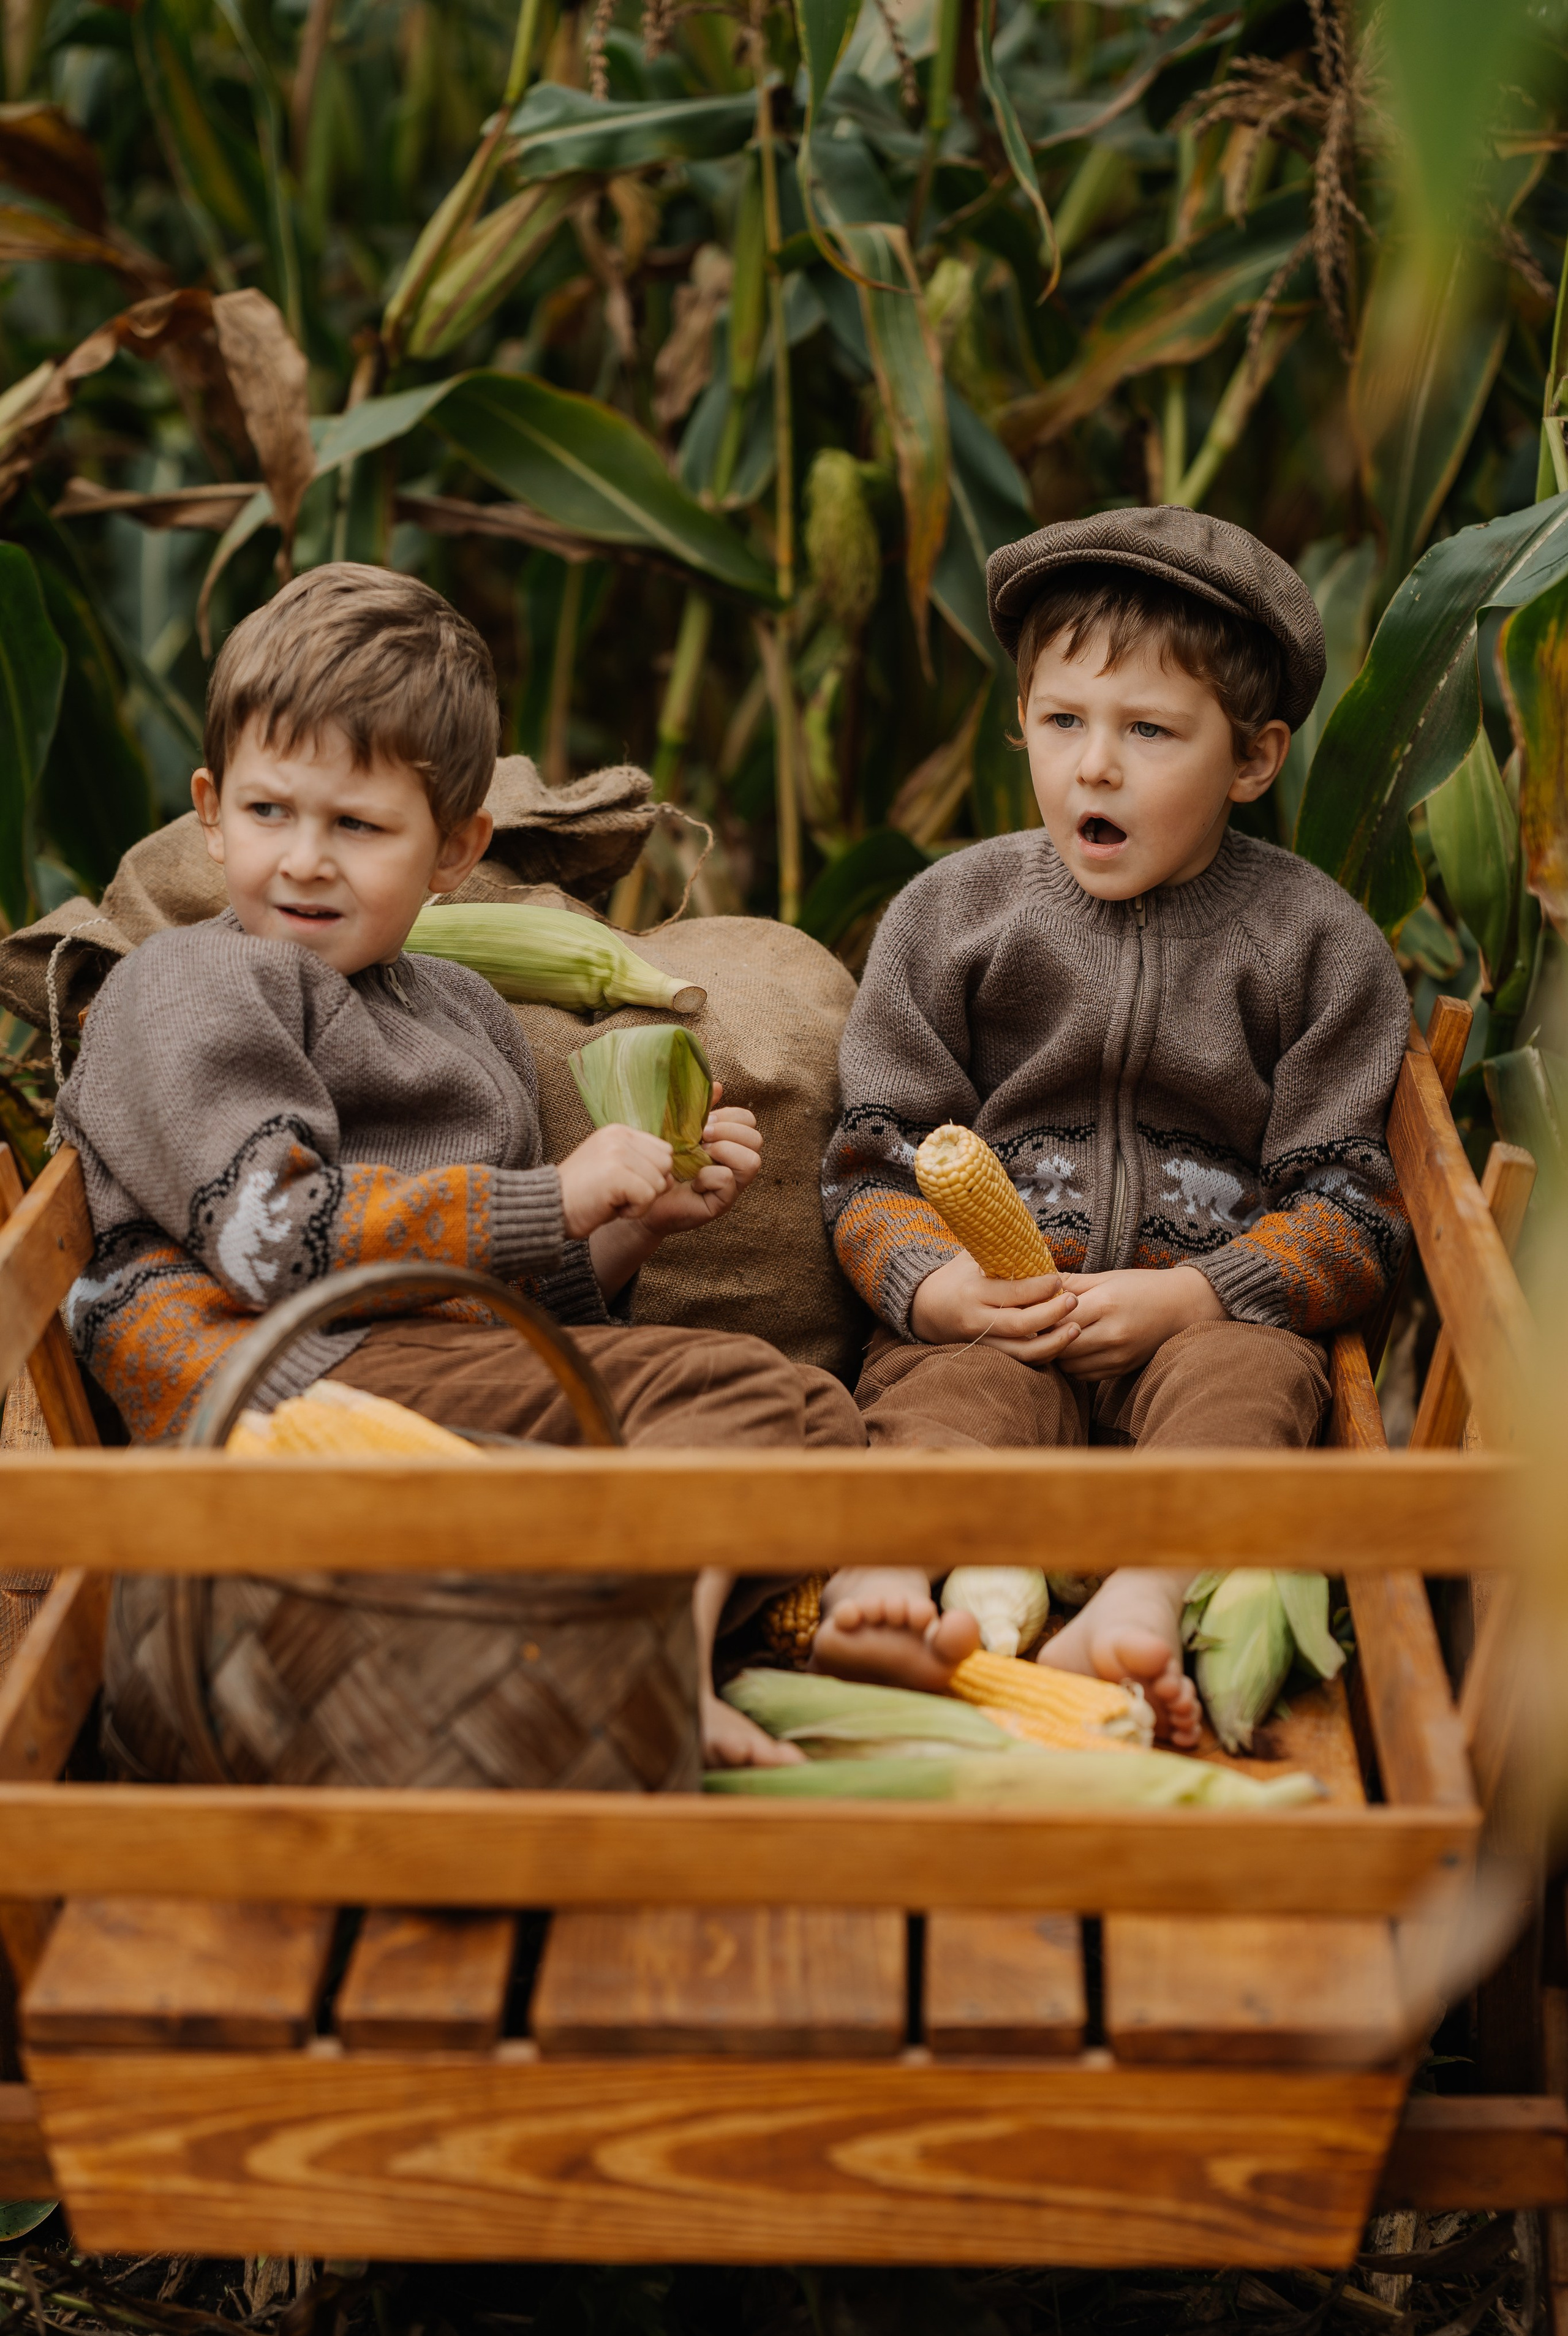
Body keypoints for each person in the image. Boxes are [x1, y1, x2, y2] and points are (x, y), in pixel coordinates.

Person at [53, 560, 864, 1770]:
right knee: (736, 1398)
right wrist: (555, 1195)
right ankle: (646, 1684)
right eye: (272, 812)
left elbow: (515, 1306)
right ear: (212, 809)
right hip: (277, 1389)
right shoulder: (189, 984)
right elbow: (266, 1238)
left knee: (812, 1413)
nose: (306, 860)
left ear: (453, 849)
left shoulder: (460, 1012)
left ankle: (593, 1663)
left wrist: (629, 1227)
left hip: (422, 1370)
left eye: (360, 826)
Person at [818, 507, 1411, 1742]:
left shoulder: (1310, 947)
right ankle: (877, 1583)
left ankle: (1136, 1600)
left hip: (1195, 1318)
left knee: (1252, 1390)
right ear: (1022, 724)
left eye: (1148, 731)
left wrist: (1199, 1298)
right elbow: (869, 1162)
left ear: (1251, 760)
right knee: (941, 1404)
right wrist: (933, 1290)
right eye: (1062, 722)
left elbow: (1355, 1212)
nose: (1093, 766)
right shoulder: (954, 917)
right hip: (997, 1313)